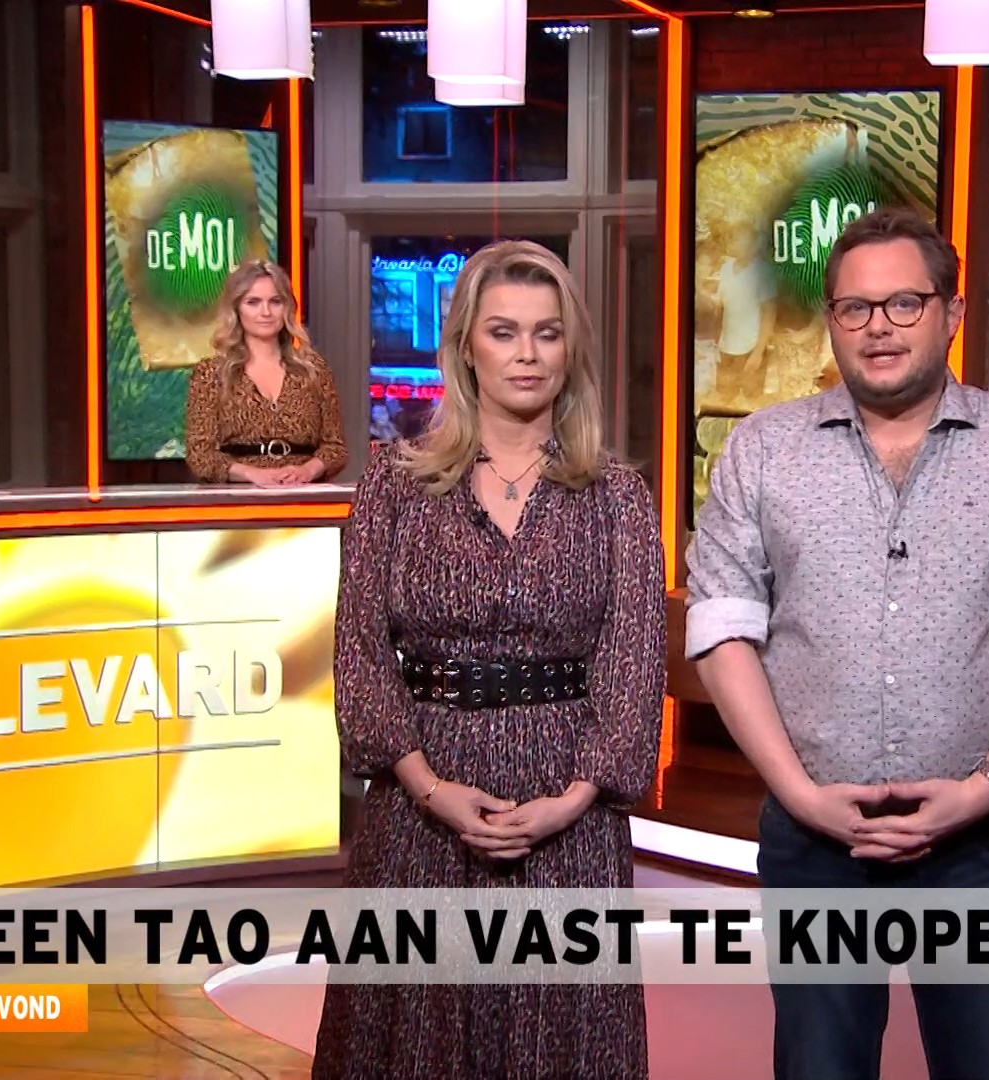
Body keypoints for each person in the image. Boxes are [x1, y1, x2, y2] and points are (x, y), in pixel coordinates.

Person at [687, 207, 989, 1080]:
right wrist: (799, 795)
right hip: (814, 844)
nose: (878, 326)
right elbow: (721, 627)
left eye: (904, 304)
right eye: (855, 307)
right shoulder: (762, 449)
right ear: (831, 320)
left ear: (951, 313)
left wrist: (987, 786)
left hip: (977, 846)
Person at [314, 240, 667, 1080]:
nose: (527, 353)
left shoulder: (616, 496)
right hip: (421, 801)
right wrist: (428, 787)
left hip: (568, 808)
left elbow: (634, 663)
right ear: (466, 345)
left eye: (547, 333)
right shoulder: (394, 487)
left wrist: (571, 801)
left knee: (559, 1040)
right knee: (414, 1042)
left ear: (570, 349)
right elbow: (360, 651)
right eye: (504, 332)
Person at [184, 260, 348, 485]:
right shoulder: (211, 374)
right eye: (253, 302)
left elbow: (335, 448)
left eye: (275, 301)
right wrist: (252, 474)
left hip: (301, 494)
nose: (266, 312)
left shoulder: (313, 369)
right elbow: (200, 455)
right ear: (236, 309)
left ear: (287, 307)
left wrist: (306, 471)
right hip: (239, 496)